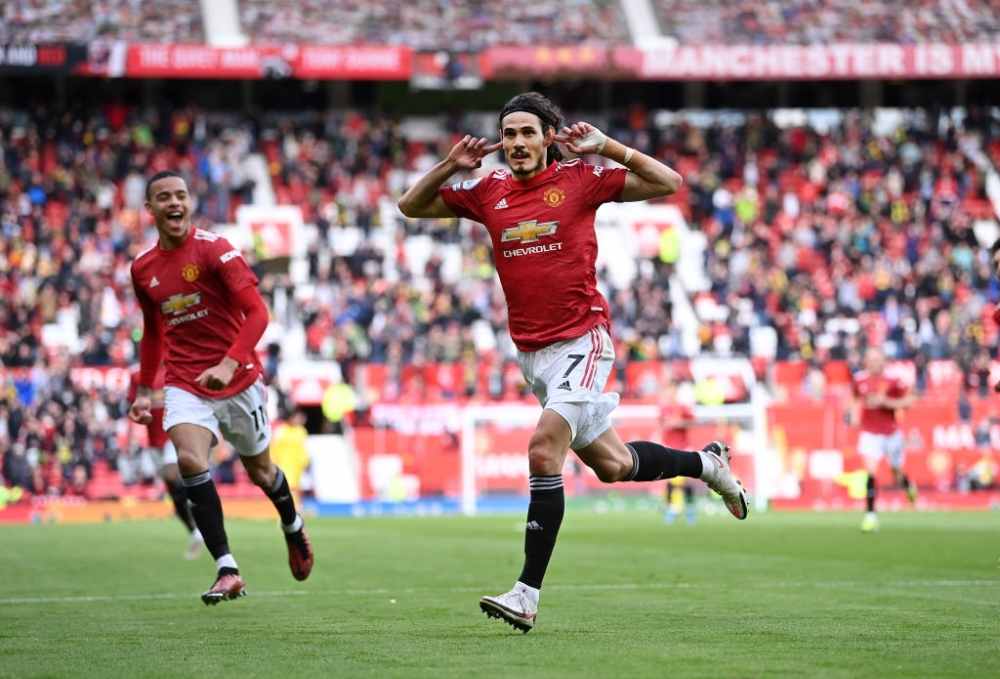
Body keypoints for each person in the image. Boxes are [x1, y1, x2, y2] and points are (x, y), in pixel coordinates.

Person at [399, 92, 749, 633]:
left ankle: (525, 593)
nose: (517, 143)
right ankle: (707, 465)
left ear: (547, 138)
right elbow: (411, 205)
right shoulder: (487, 192)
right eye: (508, 134)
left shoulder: (581, 179)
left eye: (527, 133)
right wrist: (450, 164)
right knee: (613, 466)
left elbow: (668, 183)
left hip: (583, 341)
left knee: (543, 449)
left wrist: (608, 147)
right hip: (533, 355)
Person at [128, 171, 314, 605]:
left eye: (180, 195)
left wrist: (229, 363)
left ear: (189, 203)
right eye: (163, 197)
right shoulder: (143, 269)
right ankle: (226, 567)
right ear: (150, 210)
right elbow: (153, 331)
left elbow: (257, 314)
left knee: (261, 473)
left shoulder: (216, 250)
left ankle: (292, 524)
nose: (174, 202)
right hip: (184, 381)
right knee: (190, 459)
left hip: (239, 378)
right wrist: (142, 389)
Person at [126, 365, 204, 559]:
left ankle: (200, 508)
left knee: (172, 473)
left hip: (173, 433)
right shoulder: (137, 375)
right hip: (154, 440)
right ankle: (194, 530)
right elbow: (132, 407)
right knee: (172, 489)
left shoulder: (174, 367)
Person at [850, 346, 917, 533]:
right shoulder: (859, 379)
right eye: (870, 359)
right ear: (865, 361)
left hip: (890, 432)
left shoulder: (893, 380)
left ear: (883, 361)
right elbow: (855, 398)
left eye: (877, 359)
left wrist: (885, 402)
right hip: (869, 432)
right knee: (871, 472)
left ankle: (907, 485)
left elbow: (909, 401)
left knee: (896, 472)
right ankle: (870, 515)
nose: (873, 363)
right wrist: (854, 415)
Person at [658, 382, 697, 524]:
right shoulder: (664, 409)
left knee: (684, 481)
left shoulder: (683, 407)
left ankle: (690, 509)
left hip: (683, 447)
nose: (670, 393)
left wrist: (679, 423)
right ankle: (671, 509)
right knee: (669, 480)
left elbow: (692, 421)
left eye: (672, 391)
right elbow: (662, 425)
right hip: (668, 448)